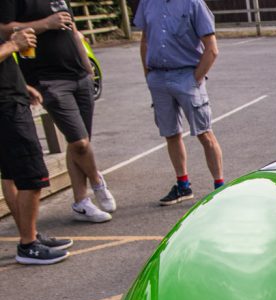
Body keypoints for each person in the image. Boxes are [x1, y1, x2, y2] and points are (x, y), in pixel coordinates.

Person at [7, 0, 115, 223]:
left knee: (80, 142)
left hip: (80, 75)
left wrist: (87, 68)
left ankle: (81, 202)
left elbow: (74, 31)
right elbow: (5, 28)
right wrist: (46, 23)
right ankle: (97, 181)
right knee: (80, 143)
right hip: (49, 80)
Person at [135, 0, 223, 206]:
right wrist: (148, 74)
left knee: (204, 132)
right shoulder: (148, 3)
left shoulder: (193, 3)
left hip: (186, 76)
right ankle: (183, 185)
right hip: (158, 77)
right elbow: (145, 40)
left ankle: (220, 188)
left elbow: (212, 49)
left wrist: (195, 79)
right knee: (171, 134)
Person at [0, 21, 73, 265]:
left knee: (11, 175)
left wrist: (22, 86)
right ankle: (28, 245)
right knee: (33, 175)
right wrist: (13, 44)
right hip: (6, 109)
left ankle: (28, 235)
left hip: (10, 98)